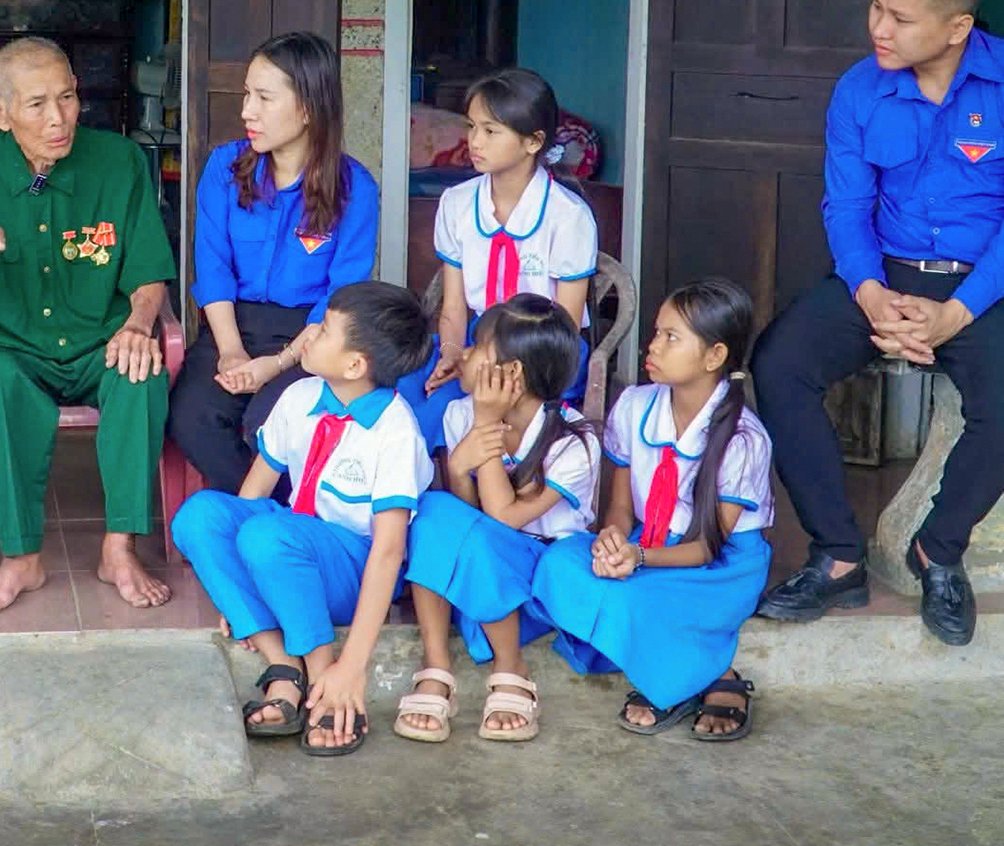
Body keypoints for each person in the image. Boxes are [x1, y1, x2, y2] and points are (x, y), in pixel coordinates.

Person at [753, 0, 1004, 647]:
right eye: (876, 8)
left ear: (957, 27)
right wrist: (868, 293)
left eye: (900, 17)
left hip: (982, 284)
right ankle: (837, 557)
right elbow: (846, 207)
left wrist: (956, 313)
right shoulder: (861, 87)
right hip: (883, 273)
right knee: (779, 363)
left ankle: (938, 550)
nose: (879, 29)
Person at [0, 37, 178, 615]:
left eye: (67, 97)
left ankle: (118, 550)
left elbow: (147, 271)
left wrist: (139, 323)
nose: (59, 118)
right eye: (37, 104)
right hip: (13, 347)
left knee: (141, 374)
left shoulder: (119, 162)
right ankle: (21, 558)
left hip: (101, 340)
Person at [170, 281, 433, 756]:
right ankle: (284, 668)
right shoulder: (300, 397)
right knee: (198, 516)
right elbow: (254, 493)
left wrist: (353, 665)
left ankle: (326, 678)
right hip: (287, 549)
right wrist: (237, 583)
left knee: (267, 535)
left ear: (355, 366)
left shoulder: (394, 430)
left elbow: (389, 549)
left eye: (324, 330)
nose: (307, 336)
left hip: (350, 570)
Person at [531, 278, 773, 741]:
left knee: (633, 597)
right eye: (657, 332)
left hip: (718, 565)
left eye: (671, 337)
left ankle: (693, 677)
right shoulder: (635, 405)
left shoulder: (744, 439)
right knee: (558, 562)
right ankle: (690, 670)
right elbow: (620, 509)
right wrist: (613, 539)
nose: (653, 346)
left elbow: (707, 548)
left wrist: (639, 558)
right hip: (648, 542)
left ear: (715, 356)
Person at [170, 32, 380, 492]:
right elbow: (213, 268)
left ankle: (273, 520)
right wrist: (231, 351)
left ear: (308, 108)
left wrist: (278, 363)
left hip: (312, 334)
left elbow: (340, 297)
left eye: (264, 98)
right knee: (193, 418)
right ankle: (263, 517)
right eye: (247, 94)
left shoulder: (356, 189)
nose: (247, 111)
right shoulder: (225, 168)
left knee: (271, 422)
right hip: (232, 324)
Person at [394, 294, 599, 744]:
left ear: (511, 374)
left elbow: (502, 519)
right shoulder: (458, 413)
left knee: (482, 538)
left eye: (475, 348)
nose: (463, 355)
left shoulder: (574, 440)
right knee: (431, 512)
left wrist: (485, 429)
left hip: (537, 579)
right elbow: (466, 517)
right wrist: (456, 471)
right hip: (481, 566)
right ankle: (436, 665)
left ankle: (511, 667)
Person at [396, 68, 597, 450]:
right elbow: (454, 305)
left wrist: (489, 365)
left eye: (491, 131)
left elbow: (565, 326)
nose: (475, 141)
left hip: (542, 352)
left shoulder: (568, 216)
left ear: (533, 141)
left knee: (445, 411)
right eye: (472, 127)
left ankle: (466, 481)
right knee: (405, 392)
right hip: (473, 341)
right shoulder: (456, 203)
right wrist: (453, 354)